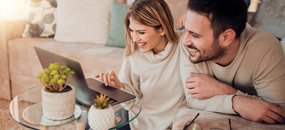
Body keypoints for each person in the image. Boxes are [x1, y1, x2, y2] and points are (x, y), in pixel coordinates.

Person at [179, 0, 285, 124]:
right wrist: (236, 103)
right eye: (186, 31)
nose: (184, 41)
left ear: (226, 37)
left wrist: (223, 90)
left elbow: (276, 112)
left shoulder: (265, 49)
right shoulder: (191, 47)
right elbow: (192, 100)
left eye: (195, 35)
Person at [95, 0, 185, 129]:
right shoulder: (133, 56)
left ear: (162, 29)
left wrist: (192, 14)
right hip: (140, 124)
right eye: (132, 31)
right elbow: (131, 102)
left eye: (141, 32)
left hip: (175, 124)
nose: (134, 38)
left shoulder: (184, 43)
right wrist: (120, 87)